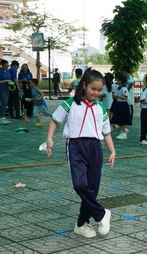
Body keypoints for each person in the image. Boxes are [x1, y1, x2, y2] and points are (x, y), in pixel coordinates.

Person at [45, 68, 115, 238]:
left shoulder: (101, 109)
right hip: (75, 147)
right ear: (84, 85)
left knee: (92, 188)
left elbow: (106, 132)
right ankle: (101, 214)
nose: (96, 93)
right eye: (93, 89)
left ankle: (81, 223)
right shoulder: (71, 103)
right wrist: (49, 139)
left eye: (99, 90)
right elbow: (55, 120)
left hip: (95, 148)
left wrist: (112, 150)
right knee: (79, 184)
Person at [111, 72, 131, 139]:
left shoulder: (124, 89)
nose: (117, 81)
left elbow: (126, 97)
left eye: (118, 80)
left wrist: (118, 96)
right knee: (119, 118)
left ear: (121, 81)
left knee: (122, 119)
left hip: (123, 105)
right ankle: (123, 131)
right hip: (119, 104)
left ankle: (123, 132)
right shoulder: (119, 88)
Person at [0, 59, 13, 125]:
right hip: (1, 88)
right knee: (4, 101)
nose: (7, 67)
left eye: (7, 66)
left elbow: (9, 79)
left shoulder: (8, 71)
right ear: (2, 66)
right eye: (5, 66)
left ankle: (3, 116)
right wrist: (5, 81)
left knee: (5, 102)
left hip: (7, 88)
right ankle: (1, 117)